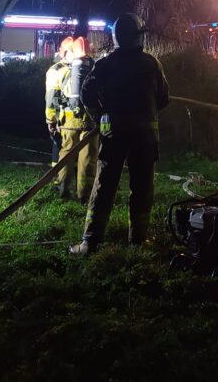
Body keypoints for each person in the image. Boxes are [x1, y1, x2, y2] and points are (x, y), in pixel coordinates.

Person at [71, 13, 170, 255]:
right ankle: (138, 241)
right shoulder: (152, 64)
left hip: (113, 135)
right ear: (138, 37)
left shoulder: (106, 64)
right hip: (144, 137)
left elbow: (86, 94)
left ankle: (90, 242)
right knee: (142, 187)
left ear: (116, 37)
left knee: (104, 186)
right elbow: (164, 98)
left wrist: (100, 116)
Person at [46, 36, 98, 203]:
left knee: (66, 154)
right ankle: (85, 195)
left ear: (65, 52)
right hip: (90, 121)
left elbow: (51, 98)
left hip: (68, 121)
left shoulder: (56, 70)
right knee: (88, 157)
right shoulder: (92, 67)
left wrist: (50, 120)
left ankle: (62, 189)